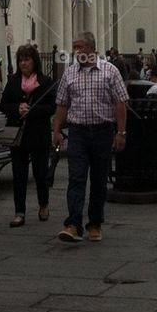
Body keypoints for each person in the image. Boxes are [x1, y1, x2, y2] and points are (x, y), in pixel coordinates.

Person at [52, 32, 128, 243]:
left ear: (91, 49)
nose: (76, 52)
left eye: (79, 47)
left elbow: (120, 104)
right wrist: (56, 130)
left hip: (103, 131)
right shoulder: (69, 73)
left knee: (98, 180)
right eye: (74, 47)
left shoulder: (110, 71)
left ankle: (95, 222)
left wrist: (121, 132)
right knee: (76, 177)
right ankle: (73, 224)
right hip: (78, 132)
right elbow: (62, 104)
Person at [0, 43, 56, 227]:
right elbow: (3, 104)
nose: (24, 63)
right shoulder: (14, 81)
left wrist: (31, 110)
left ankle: (43, 204)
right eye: (21, 60)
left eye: (27, 59)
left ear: (34, 61)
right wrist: (17, 108)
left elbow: (51, 107)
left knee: (40, 173)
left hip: (38, 134)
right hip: (18, 135)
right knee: (19, 174)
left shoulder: (45, 81)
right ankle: (19, 212)